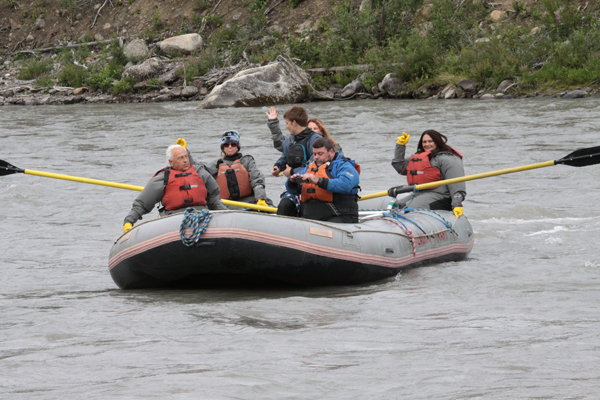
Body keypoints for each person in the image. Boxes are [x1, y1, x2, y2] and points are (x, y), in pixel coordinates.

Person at [123, 139, 227, 233]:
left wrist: (228, 216)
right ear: (171, 162)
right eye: (181, 158)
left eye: (186, 157)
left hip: (201, 216)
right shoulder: (163, 178)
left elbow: (214, 200)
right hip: (173, 220)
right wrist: (129, 221)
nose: (185, 160)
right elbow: (142, 204)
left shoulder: (200, 173)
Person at [280, 137, 360, 223]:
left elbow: (345, 184)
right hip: (312, 217)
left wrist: (319, 181)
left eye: (320, 154)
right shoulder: (310, 167)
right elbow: (293, 191)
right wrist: (292, 183)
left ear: (331, 152)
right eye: (314, 154)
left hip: (339, 216)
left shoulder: (345, 166)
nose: (316, 157)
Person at [391, 130, 466, 217]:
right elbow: (400, 167)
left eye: (430, 141)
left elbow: (457, 183)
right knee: (395, 207)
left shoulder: (448, 158)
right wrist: (400, 145)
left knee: (404, 209)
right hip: (420, 194)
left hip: (441, 196)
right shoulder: (421, 157)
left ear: (437, 141)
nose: (427, 144)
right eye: (424, 142)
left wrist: (457, 205)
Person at [204, 130, 272, 208]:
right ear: (223, 147)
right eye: (226, 144)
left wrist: (261, 198)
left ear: (237, 146)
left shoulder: (247, 161)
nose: (230, 146)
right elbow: (196, 167)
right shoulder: (215, 165)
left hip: (249, 201)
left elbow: (257, 179)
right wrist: (186, 150)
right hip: (225, 204)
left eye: (233, 144)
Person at [268, 105, 323, 178]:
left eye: (287, 123)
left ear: (294, 123)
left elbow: (315, 166)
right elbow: (285, 156)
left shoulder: (316, 140)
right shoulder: (289, 140)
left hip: (312, 184)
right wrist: (278, 166)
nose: (286, 127)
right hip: (294, 184)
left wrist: (292, 171)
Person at [267, 106, 343, 157]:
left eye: (315, 128)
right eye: (310, 128)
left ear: (322, 132)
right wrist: (273, 123)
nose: (312, 131)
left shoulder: (333, 146)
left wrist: (292, 171)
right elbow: (282, 144)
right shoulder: (298, 142)